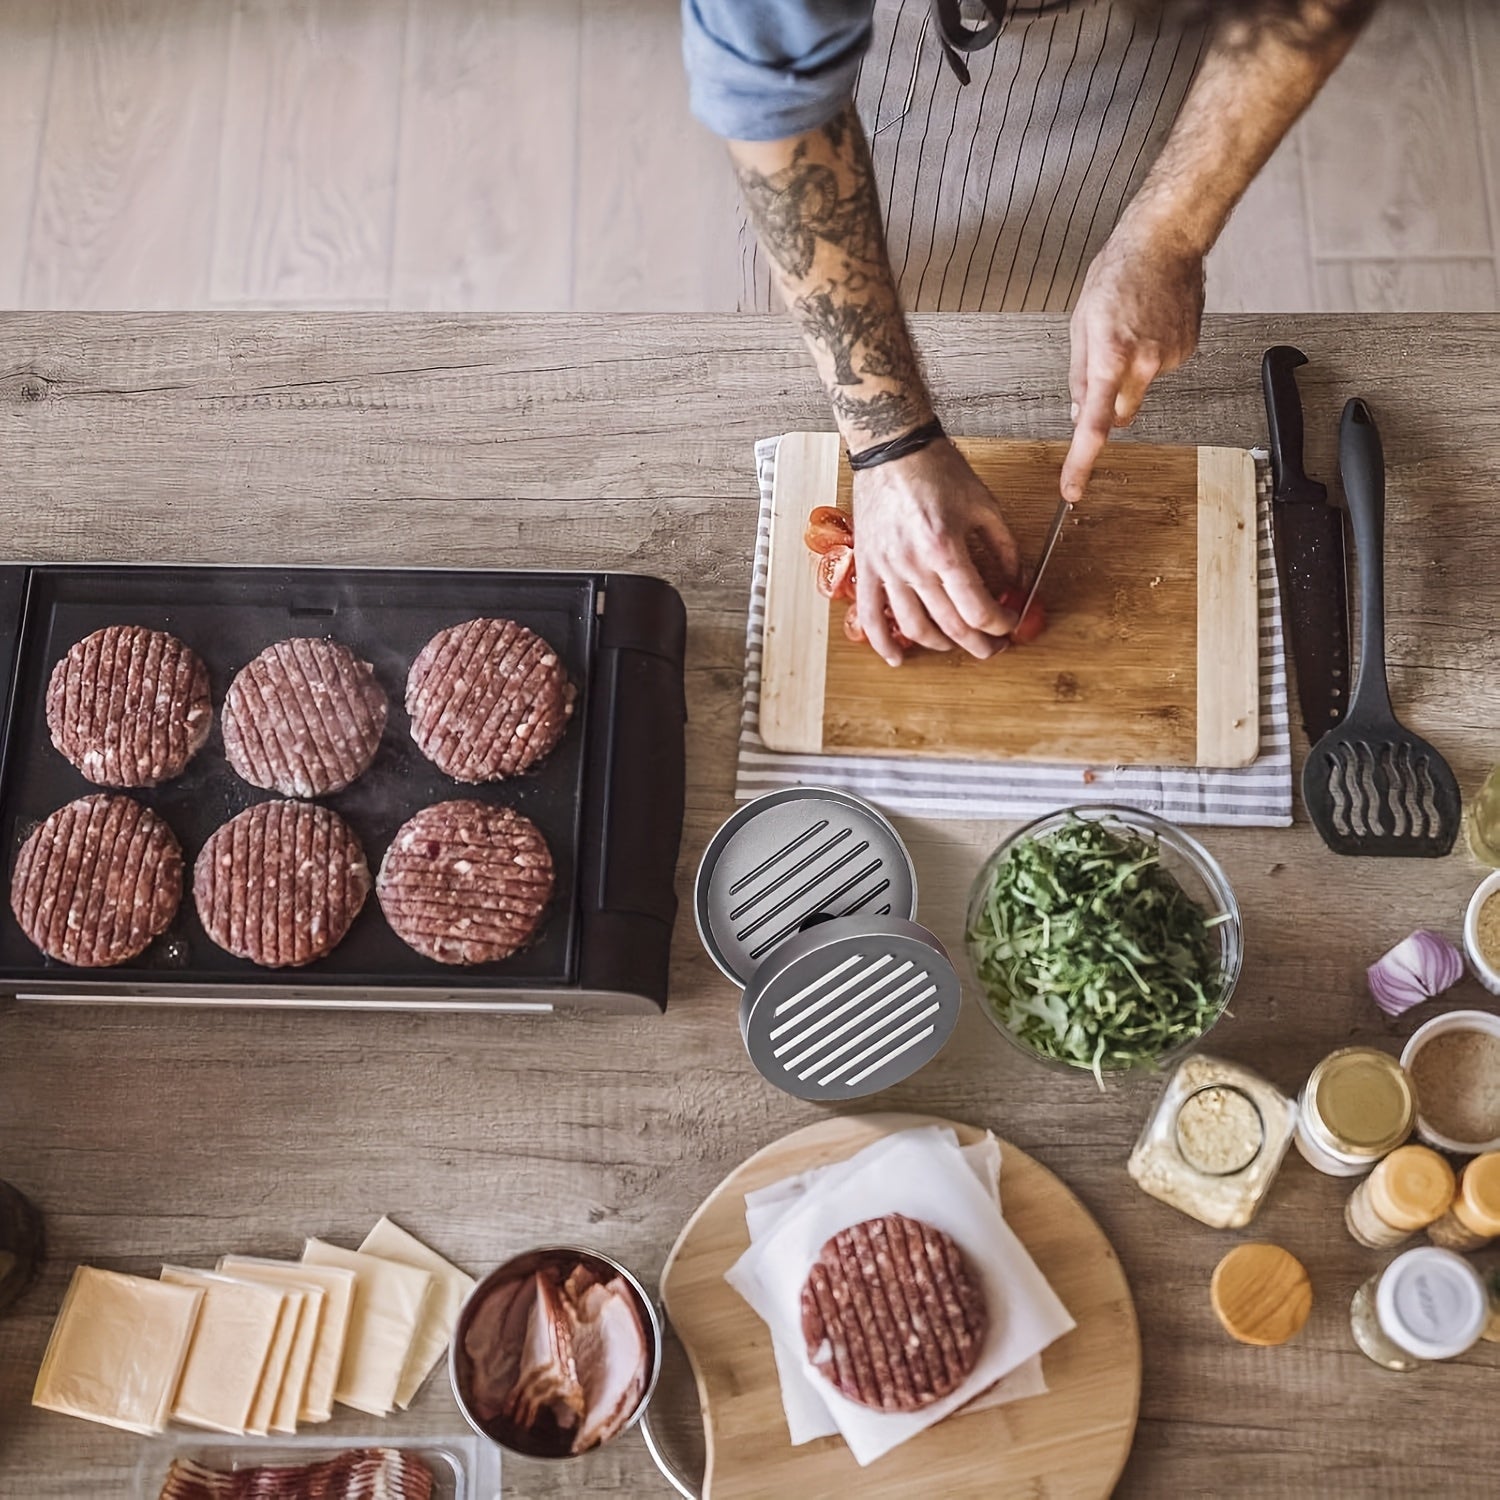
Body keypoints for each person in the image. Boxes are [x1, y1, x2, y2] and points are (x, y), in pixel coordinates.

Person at [682, 0, 1375, 665]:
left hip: (1129, 44)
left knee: (1039, 299)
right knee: (793, 341)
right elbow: (770, 94)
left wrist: (1168, 236)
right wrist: (889, 442)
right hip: (880, 41)